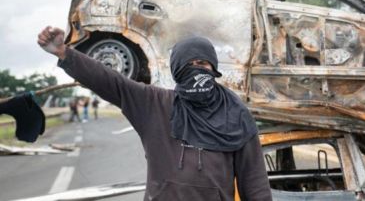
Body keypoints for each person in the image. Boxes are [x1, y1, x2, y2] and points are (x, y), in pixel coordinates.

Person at [37, 26, 272, 201]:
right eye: (189, 64)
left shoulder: (236, 115)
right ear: (177, 71)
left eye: (204, 63)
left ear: (214, 68)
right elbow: (110, 82)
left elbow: (255, 183)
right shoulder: (155, 105)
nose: (198, 69)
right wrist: (65, 54)